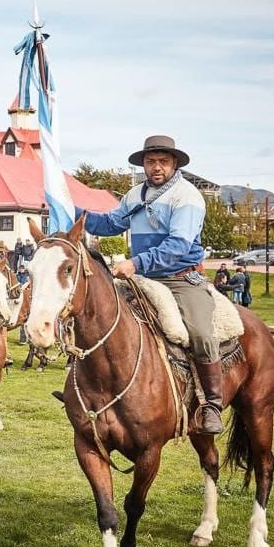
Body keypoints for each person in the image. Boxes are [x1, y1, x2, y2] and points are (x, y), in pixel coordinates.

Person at [75, 134, 224, 434]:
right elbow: (109, 225)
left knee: (200, 332)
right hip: (142, 277)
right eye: (151, 161)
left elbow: (178, 246)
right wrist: (72, 209)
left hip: (180, 278)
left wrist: (135, 263)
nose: (156, 167)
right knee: (100, 318)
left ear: (174, 164)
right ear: (143, 164)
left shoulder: (187, 196)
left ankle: (212, 404)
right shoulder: (134, 195)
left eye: (163, 162)